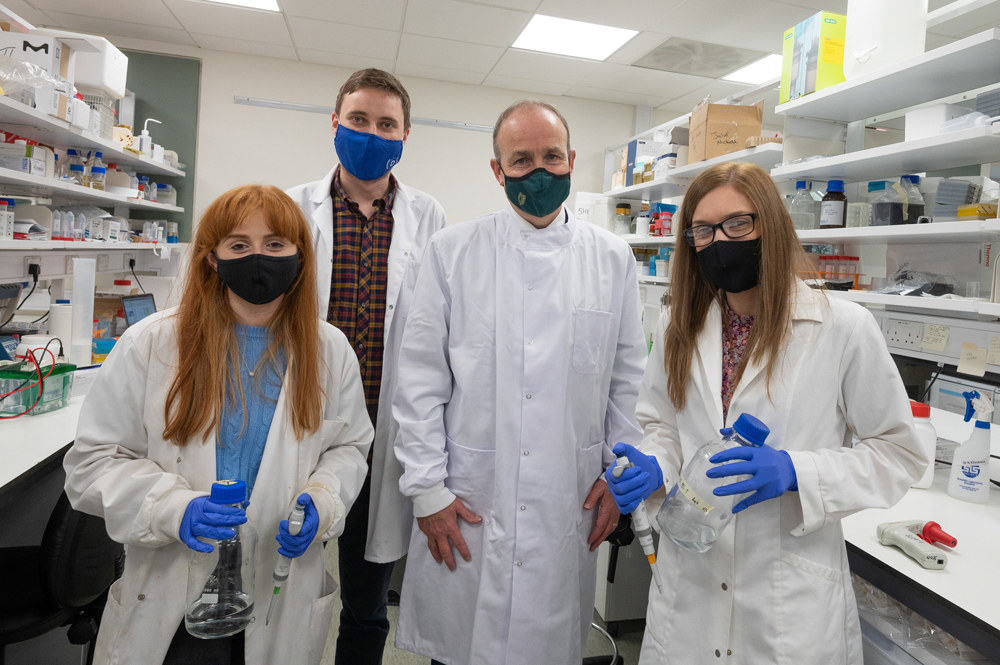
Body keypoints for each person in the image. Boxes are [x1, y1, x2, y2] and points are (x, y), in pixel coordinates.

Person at [605, 162, 929, 664]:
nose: (720, 242)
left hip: (786, 596)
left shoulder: (842, 327)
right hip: (690, 587)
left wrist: (797, 471)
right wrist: (655, 464)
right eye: (703, 231)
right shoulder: (680, 325)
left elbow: (899, 454)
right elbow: (662, 426)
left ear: (771, 225)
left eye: (738, 224)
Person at [63, 185, 373, 665]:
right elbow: (92, 464)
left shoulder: (329, 350)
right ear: (212, 258)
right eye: (239, 245)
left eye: (274, 245)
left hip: (279, 582)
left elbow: (349, 448)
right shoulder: (153, 342)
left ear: (300, 256)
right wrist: (172, 508)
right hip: (172, 586)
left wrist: (325, 498)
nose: (258, 259)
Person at [391, 100, 646, 665]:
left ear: (572, 160)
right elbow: (419, 382)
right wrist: (428, 491)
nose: (539, 171)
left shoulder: (612, 258)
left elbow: (628, 381)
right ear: (497, 169)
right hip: (468, 499)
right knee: (461, 650)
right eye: (521, 158)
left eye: (552, 156)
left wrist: (619, 476)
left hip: (569, 497)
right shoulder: (452, 252)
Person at [286, 68, 447, 665]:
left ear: (406, 135)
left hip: (383, 435)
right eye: (359, 120)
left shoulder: (429, 218)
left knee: (366, 600)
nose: (371, 134)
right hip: (301, 420)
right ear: (335, 124)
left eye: (386, 124)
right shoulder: (291, 208)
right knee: (278, 582)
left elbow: (439, 328)